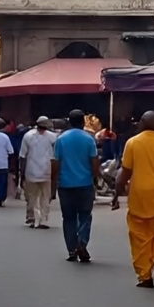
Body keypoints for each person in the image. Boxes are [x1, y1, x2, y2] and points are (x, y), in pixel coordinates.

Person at [112, 110, 154, 288]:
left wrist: (117, 194)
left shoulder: (132, 143)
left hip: (139, 197)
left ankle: (144, 276)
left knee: (140, 238)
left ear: (141, 123)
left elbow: (124, 173)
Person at [51, 109, 100, 263]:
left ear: (69, 122)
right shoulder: (89, 139)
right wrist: (94, 179)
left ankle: (72, 249)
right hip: (84, 183)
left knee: (69, 217)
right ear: (83, 122)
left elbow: (55, 163)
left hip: (65, 185)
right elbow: (94, 162)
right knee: (85, 215)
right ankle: (82, 242)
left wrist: (54, 183)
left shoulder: (61, 139)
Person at [19, 116, 57, 229]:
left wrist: (21, 173)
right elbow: (55, 157)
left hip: (31, 172)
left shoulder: (28, 136)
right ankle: (43, 220)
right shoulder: (53, 137)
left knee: (32, 197)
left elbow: (22, 156)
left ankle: (32, 218)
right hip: (47, 171)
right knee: (45, 197)